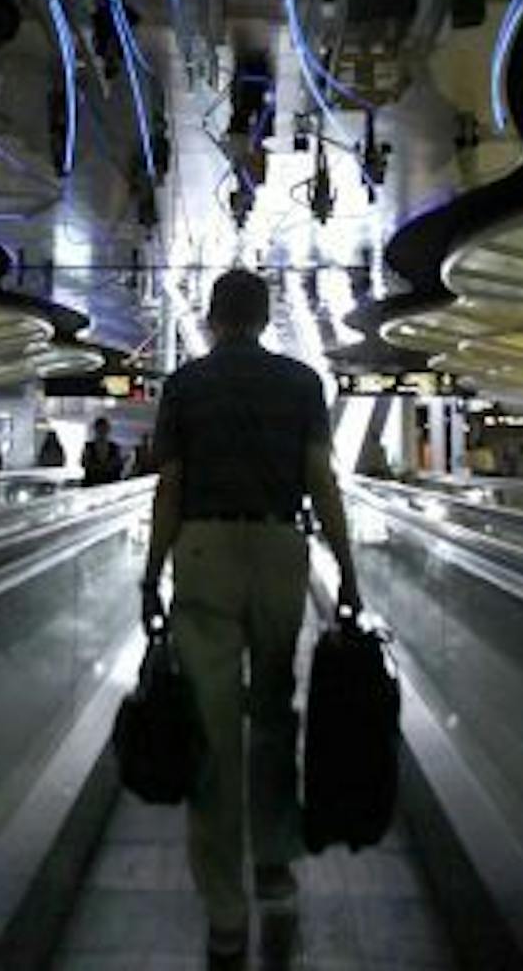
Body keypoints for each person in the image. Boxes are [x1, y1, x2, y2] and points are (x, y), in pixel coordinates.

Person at [140, 269, 362, 964]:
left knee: (213, 733)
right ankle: (273, 863)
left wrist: (152, 574)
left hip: (203, 548)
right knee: (273, 713)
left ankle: (227, 918)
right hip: (279, 549)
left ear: (211, 318)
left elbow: (169, 488)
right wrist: (348, 572)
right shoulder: (301, 383)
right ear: (266, 320)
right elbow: (321, 478)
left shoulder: (186, 385)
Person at [81, 416, 125, 486]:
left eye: (104, 429)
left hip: (111, 484)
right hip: (92, 484)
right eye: (100, 429)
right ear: (95, 430)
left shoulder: (114, 448)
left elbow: (119, 465)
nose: (102, 432)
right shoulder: (89, 447)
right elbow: (85, 463)